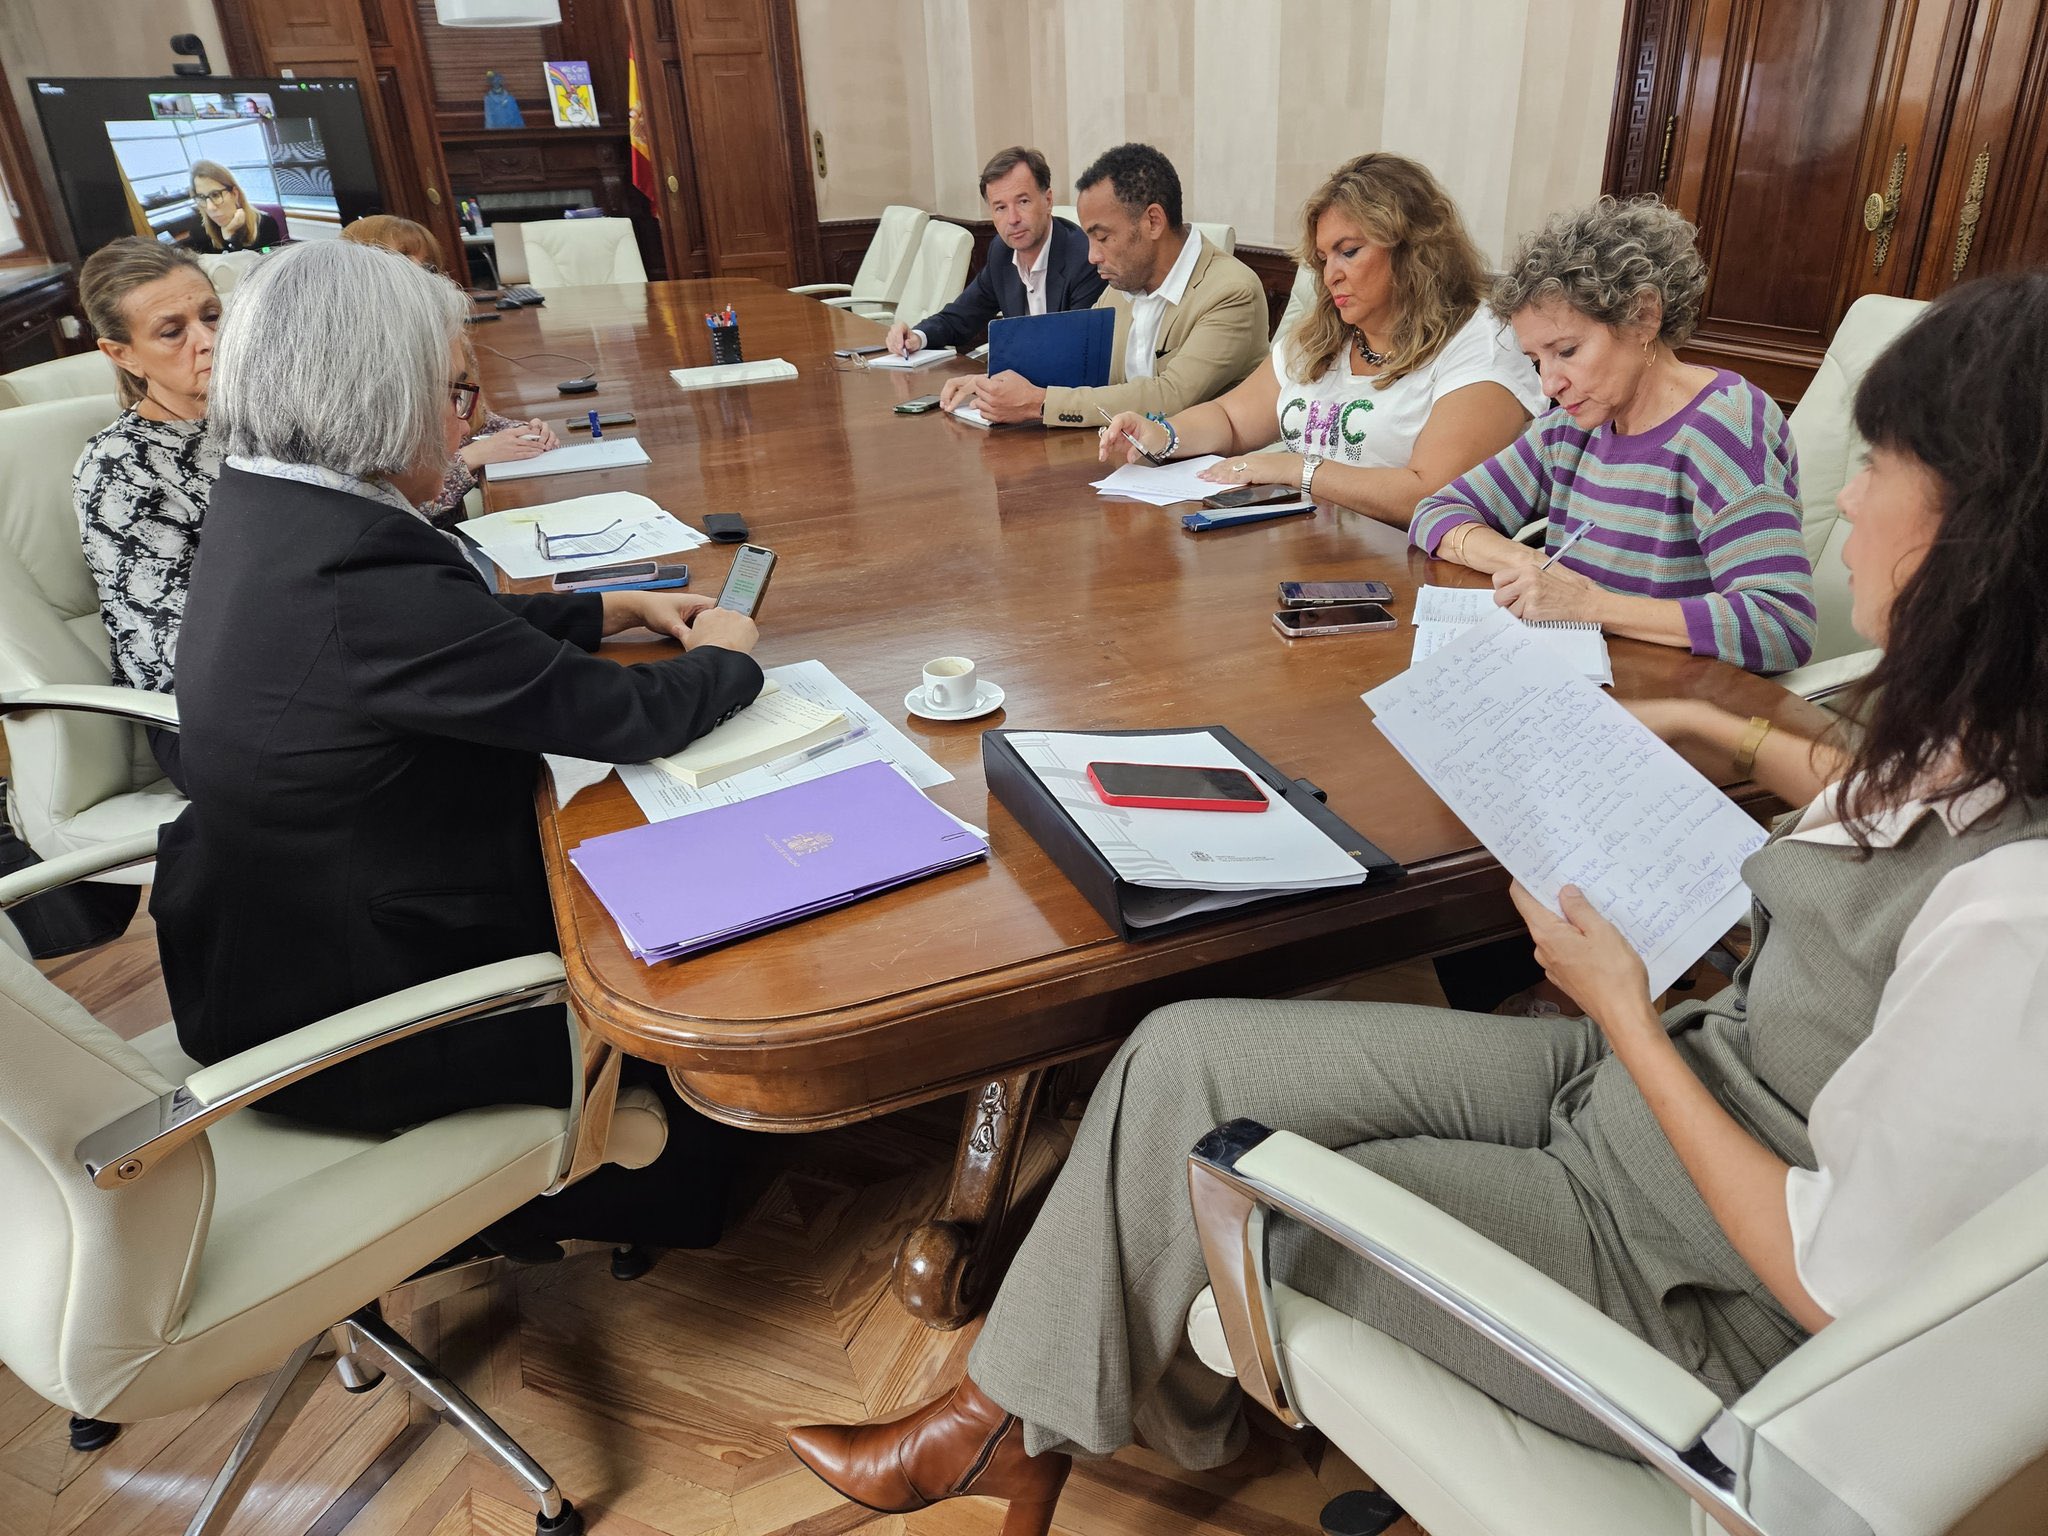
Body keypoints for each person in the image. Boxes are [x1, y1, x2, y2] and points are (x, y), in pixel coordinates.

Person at [786, 272, 2048, 1534]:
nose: (1845, 499)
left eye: (1878, 467)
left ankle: (1015, 1429)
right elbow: (1898, 808)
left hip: (1682, 1277)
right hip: (1651, 1094)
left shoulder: (2015, 924)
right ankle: (1031, 1421)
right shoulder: (1991, 738)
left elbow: (1830, 1285)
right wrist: (1715, 726)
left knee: (1227, 1188)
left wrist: (1619, 1008)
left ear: (1985, 535)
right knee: (1183, 1058)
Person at [149, 240, 765, 1248]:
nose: (467, 419)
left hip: (264, 953)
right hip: (373, 1019)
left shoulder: (275, 503)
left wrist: (605, 608)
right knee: (708, 941)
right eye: (454, 392)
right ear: (376, 395)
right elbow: (630, 719)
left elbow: (444, 639)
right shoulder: (358, 574)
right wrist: (725, 659)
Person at [1411, 196, 1816, 675]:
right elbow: (1436, 512)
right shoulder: (1570, 429)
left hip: (1679, 694)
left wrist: (1589, 605)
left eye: (1567, 351)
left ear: (1643, 316)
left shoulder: (1725, 429)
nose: (1549, 385)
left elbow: (1780, 625)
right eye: (1537, 360)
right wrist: (1528, 565)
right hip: (1582, 676)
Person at [1098, 154, 1545, 527]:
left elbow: (1430, 494)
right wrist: (1162, 434)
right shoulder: (1321, 336)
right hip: (1307, 552)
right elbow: (1231, 419)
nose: (1331, 274)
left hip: (1413, 571)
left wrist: (1298, 469)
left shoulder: (1482, 340)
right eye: (1323, 258)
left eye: (1349, 252)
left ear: (1413, 247)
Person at [940, 142, 1266, 428]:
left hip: (1204, 467)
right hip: (1123, 454)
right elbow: (1076, 363)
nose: (1092, 256)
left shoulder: (1231, 292)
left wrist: (1038, 403)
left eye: (1103, 237)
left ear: (1153, 221)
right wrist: (994, 386)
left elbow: (1170, 396)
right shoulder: (1124, 282)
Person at [73, 237, 223, 792]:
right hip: (208, 718)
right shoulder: (119, 469)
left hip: (327, 660)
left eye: (211, 316)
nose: (208, 341)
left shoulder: (266, 416)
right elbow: (182, 645)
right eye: (172, 331)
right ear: (123, 355)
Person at [341, 214, 559, 521]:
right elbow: (398, 507)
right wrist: (471, 457)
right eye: (402, 261)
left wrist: (520, 433)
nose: (420, 275)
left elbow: (473, 420)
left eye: (428, 266)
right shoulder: (360, 367)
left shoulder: (446, 334)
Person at [884, 146, 1105, 358]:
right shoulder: (1002, 252)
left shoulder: (1085, 258)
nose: (1013, 219)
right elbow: (962, 316)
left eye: (1023, 202)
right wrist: (917, 336)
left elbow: (1076, 352)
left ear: (1047, 201)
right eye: (1000, 207)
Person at [190, 160, 280, 252]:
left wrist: (232, 240)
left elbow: (269, 256)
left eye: (216, 195)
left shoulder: (265, 224)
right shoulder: (200, 232)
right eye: (201, 197)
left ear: (234, 193)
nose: (210, 207)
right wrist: (228, 235)